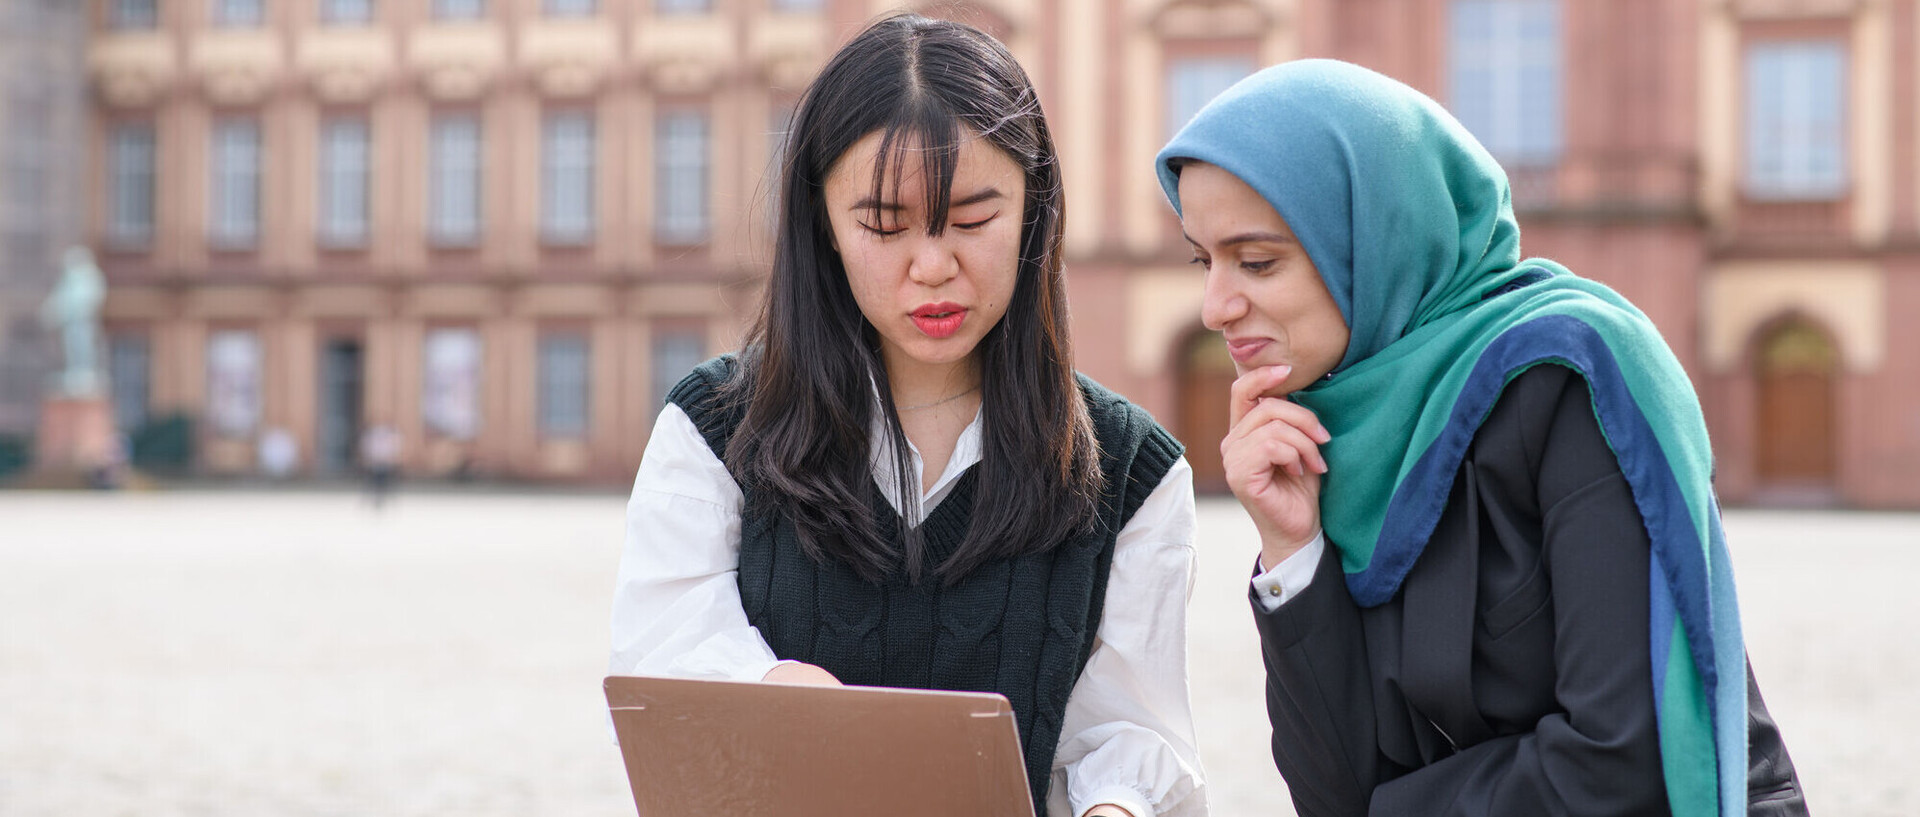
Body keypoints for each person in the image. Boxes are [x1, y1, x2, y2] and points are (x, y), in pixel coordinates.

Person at [1155, 60, 1806, 817]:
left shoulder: (1571, 377)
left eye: (1257, 261)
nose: (1214, 306)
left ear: (1378, 236)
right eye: (1204, 261)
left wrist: (1390, 805)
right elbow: (1331, 792)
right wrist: (1292, 551)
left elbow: (1621, 758)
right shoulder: (1330, 428)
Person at [608, 14, 1206, 817]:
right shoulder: (715, 431)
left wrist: (1118, 807)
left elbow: (1134, 733)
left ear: (1034, 210)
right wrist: (775, 693)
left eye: (970, 220)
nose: (932, 266)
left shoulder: (1133, 472)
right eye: (884, 225)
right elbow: (663, 663)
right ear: (822, 224)